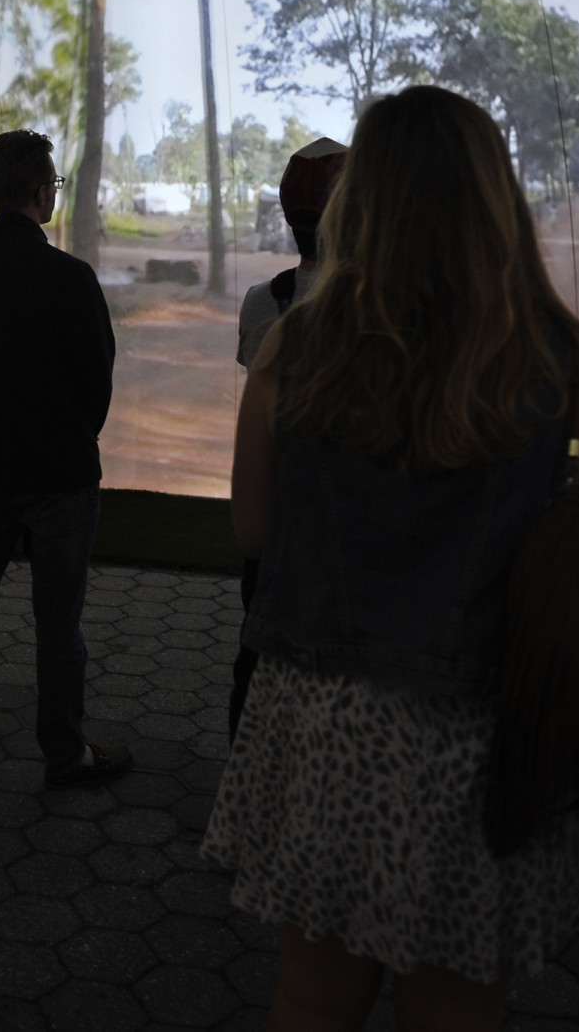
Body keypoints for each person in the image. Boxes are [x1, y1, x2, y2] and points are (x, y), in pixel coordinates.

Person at [206, 87, 579, 1032]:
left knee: (310, 1002)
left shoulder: (294, 345)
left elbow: (252, 531)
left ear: (361, 204)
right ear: (495, 199)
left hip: (324, 725)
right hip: (489, 740)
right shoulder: (570, 364)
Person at [0, 129, 127, 788]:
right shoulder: (70, 278)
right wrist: (76, 435)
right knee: (57, 619)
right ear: (43, 192)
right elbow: (97, 378)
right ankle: (65, 752)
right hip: (60, 474)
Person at [229, 136, 348, 740]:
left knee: (256, 663)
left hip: (275, 534)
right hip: (348, 540)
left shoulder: (262, 303)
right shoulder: (381, 316)